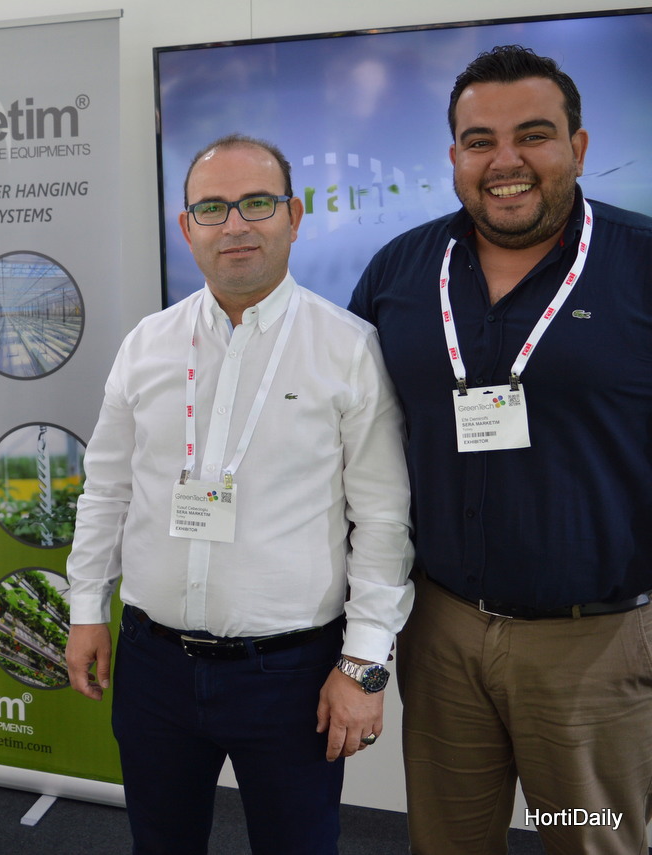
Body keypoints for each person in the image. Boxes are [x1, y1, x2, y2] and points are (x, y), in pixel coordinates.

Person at [65, 134, 414, 855]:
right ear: (186, 226)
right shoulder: (147, 344)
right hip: (154, 667)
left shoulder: (348, 348)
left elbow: (383, 521)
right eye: (212, 208)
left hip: (290, 677)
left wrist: (363, 665)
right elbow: (106, 489)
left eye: (256, 203)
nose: (235, 225)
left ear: (294, 215)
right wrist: (86, 609)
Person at [350, 45, 652, 854]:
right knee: (448, 841)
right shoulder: (399, 273)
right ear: (454, 156)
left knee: (587, 838)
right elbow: (353, 446)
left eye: (533, 135)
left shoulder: (640, 262)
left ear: (578, 147)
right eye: (480, 141)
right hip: (441, 632)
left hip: (593, 647)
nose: (505, 161)